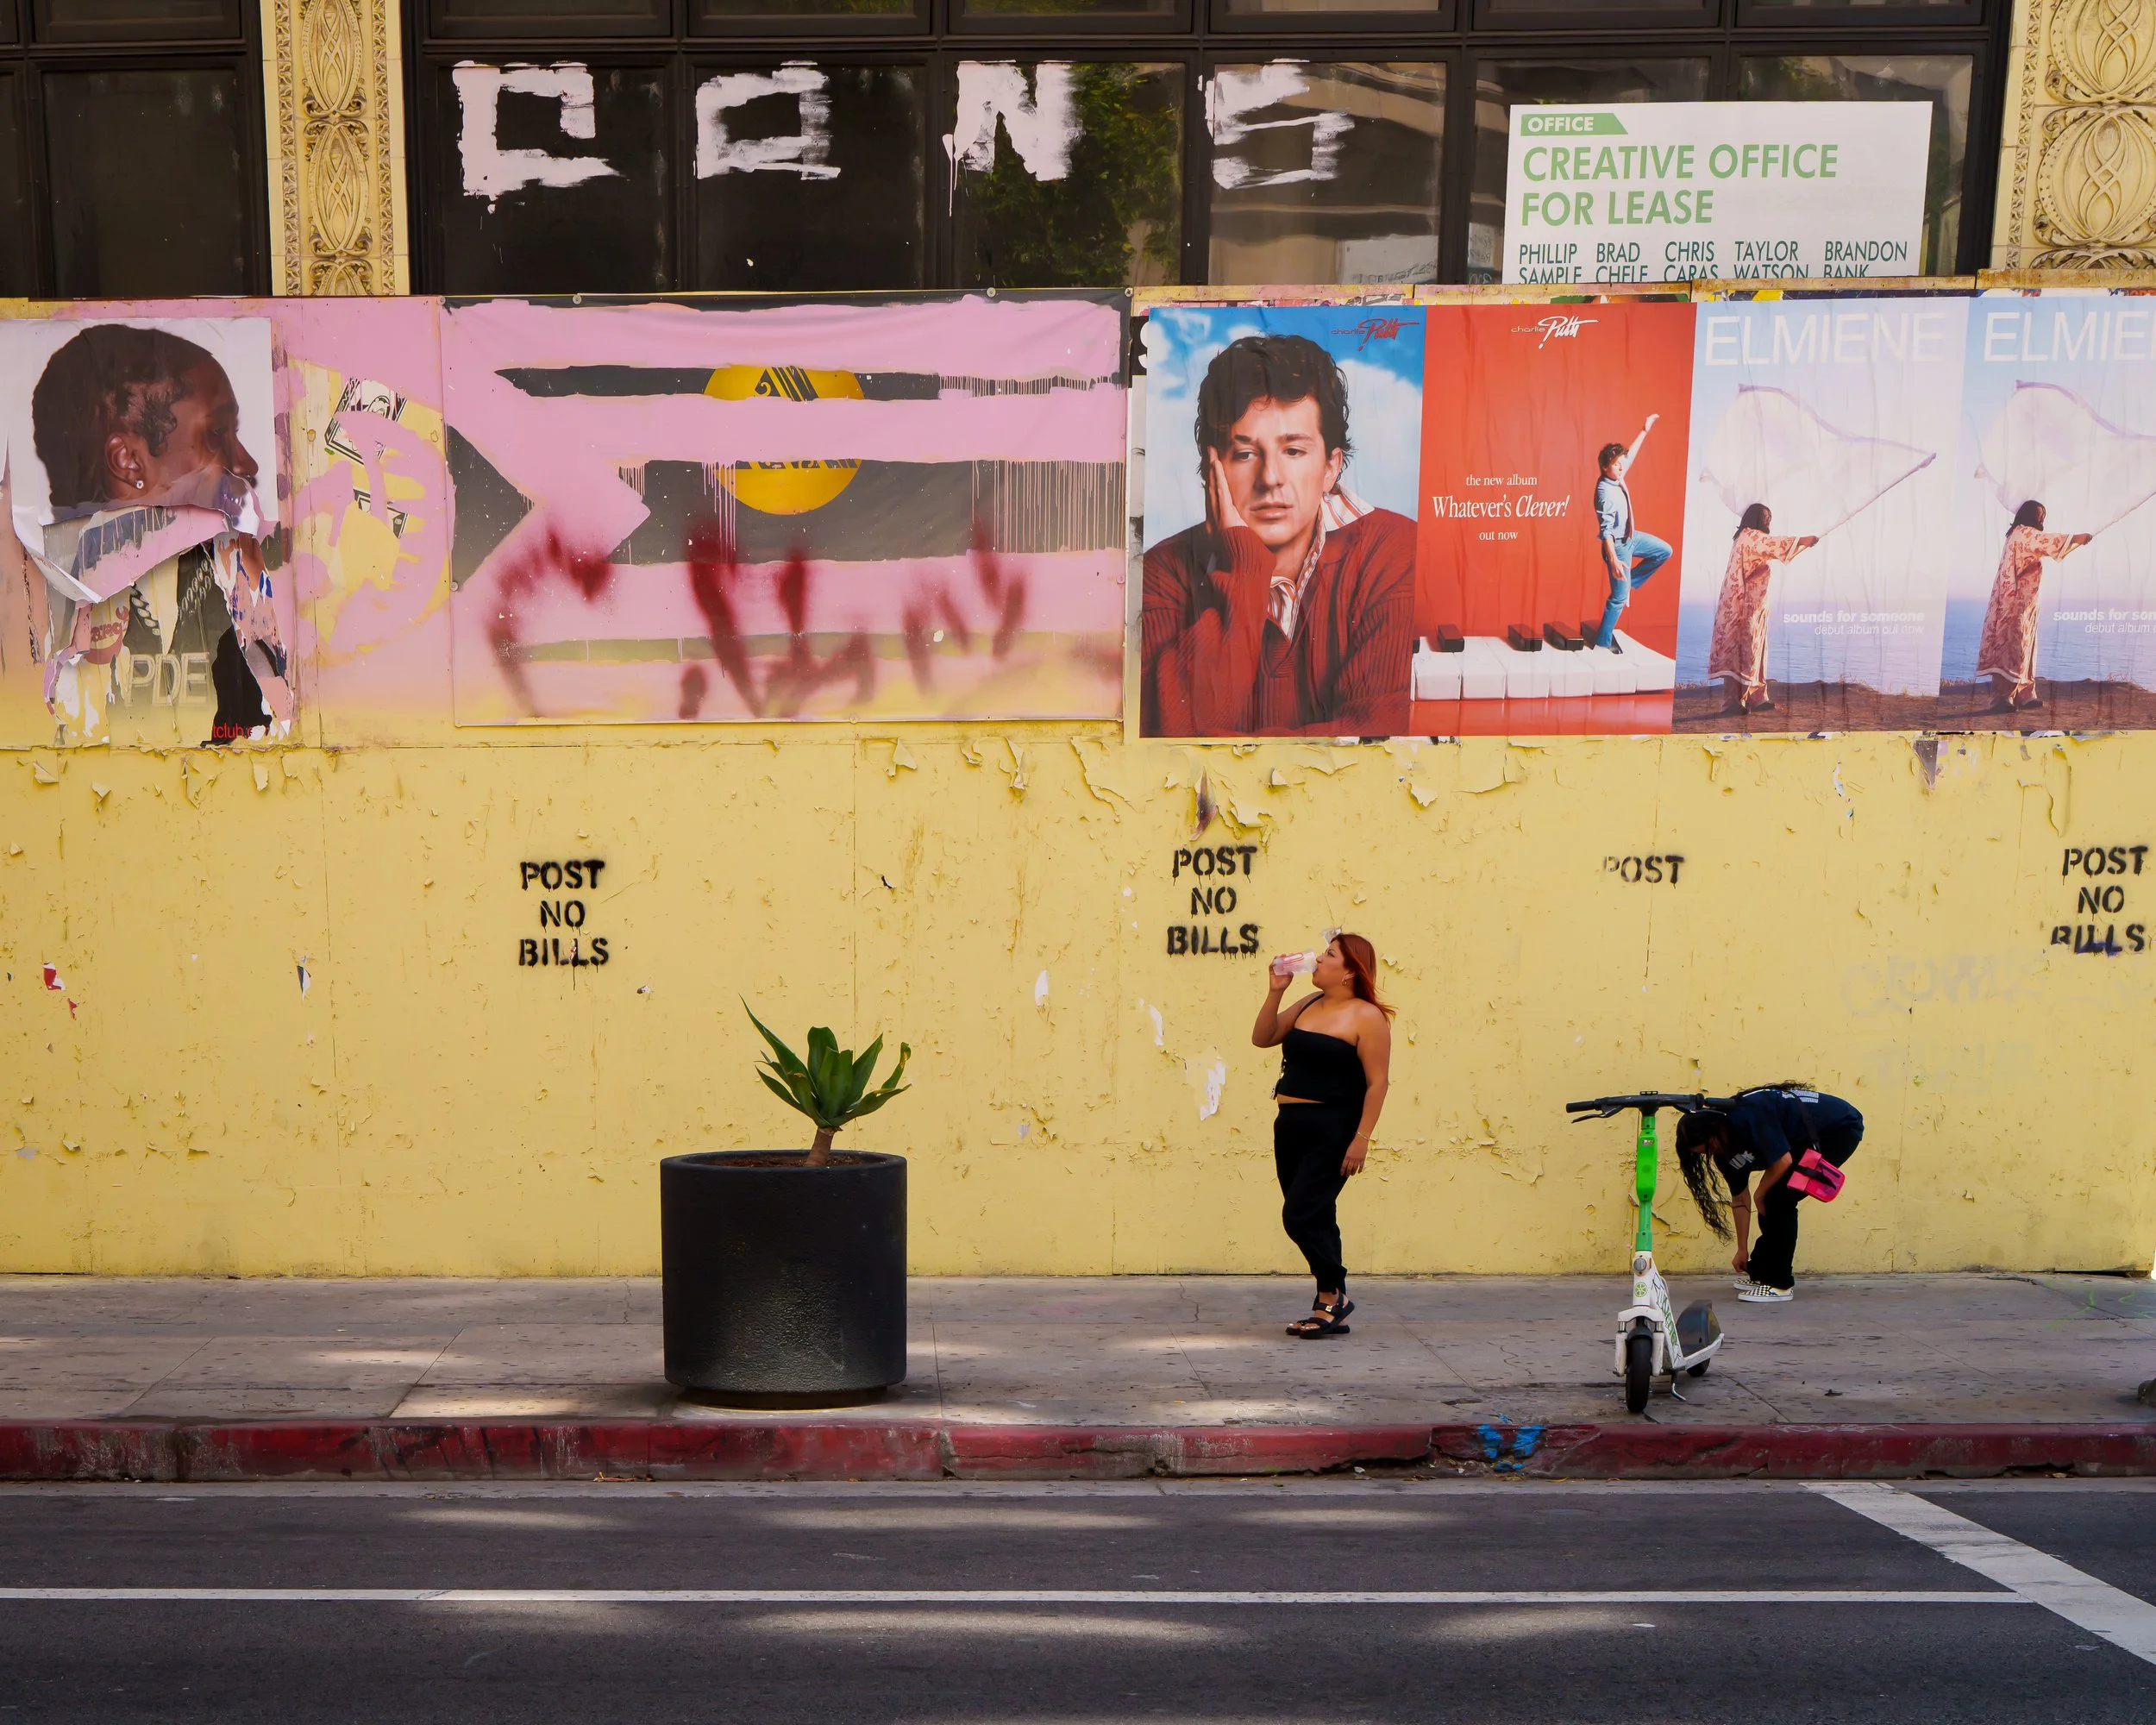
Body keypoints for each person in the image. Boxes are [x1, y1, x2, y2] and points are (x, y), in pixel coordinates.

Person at [26, 323, 289, 743]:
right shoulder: (48, 605)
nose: (246, 463)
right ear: (128, 461)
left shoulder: (243, 570)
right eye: (217, 432)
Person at [1143, 335, 1413, 737]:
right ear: (1212, 467)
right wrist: (1245, 568)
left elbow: (1376, 744)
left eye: (1294, 451)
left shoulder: (1393, 552)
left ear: (1330, 467)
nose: (1270, 479)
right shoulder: (1163, 571)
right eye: (1245, 454)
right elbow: (1171, 745)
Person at [1250, 932, 1393, 1338]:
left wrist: (1361, 1138)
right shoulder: (1309, 1003)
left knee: (1299, 1215)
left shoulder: (1367, 1017)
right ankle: (1328, 1300)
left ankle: (1335, 1294)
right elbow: (1263, 1038)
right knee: (1318, 1215)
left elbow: (1378, 1083)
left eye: (1329, 955)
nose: (1318, 959)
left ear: (1349, 971)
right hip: (1290, 1126)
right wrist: (1275, 992)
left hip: (1335, 1128)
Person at [1673, 1086, 1864, 1302]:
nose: (1711, 1154)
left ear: (1715, 1130)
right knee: (1772, 1199)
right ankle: (1761, 1272)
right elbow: (1740, 1200)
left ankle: (1779, 1284)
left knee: (1779, 1200)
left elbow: (1783, 1161)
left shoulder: (1747, 1117)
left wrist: (1760, 1193)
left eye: (1709, 1148)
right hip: (1803, 1138)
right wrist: (1741, 1250)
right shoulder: (1725, 1155)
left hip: (1838, 1128)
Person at [1976, 500, 2090, 713]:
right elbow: (2046, 541)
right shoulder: (2024, 534)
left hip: (2021, 601)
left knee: (2023, 645)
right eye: (2040, 515)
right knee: (2013, 645)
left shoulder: (2016, 534)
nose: (2042, 519)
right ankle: (2002, 697)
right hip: (2015, 601)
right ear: (2029, 515)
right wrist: (2077, 538)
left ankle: (2024, 694)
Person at [1705, 504, 1818, 716]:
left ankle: (1756, 697)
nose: (1768, 521)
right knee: (1741, 650)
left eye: (1769, 517)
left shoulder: (1745, 537)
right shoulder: (1750, 537)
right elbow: (1773, 544)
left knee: (1754, 649)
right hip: (1742, 605)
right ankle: (1732, 702)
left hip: (1751, 605)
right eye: (1765, 516)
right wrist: (1803, 541)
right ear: (1755, 517)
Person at [1592, 417, 1672, 649]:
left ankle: (1630, 584)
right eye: (1616, 464)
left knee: (1665, 551)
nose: (1621, 467)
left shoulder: (1617, 475)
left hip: (1632, 537)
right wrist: (1615, 560)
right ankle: (1602, 643)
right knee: (1617, 599)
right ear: (1605, 467)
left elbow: (1632, 455)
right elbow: (1606, 531)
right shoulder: (1604, 492)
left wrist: (1644, 430)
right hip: (1617, 546)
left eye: (1621, 464)